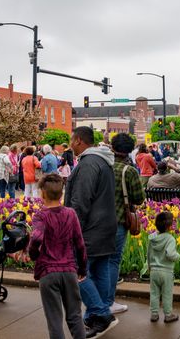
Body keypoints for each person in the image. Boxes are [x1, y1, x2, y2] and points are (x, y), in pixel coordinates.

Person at [64, 126, 118, 338]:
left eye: (71, 140)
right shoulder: (104, 161)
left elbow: (80, 202)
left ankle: (101, 313)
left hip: (89, 230)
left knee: (75, 272)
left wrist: (70, 230)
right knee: (99, 271)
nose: (70, 144)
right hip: (105, 227)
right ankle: (97, 315)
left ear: (78, 140)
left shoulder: (88, 164)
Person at [28, 173, 88, 339]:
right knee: (75, 316)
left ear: (42, 194)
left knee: (54, 320)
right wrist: (82, 268)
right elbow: (80, 244)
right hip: (69, 270)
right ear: (61, 194)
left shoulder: (41, 216)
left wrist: (33, 255)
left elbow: (36, 238)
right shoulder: (70, 213)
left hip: (48, 272)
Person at [107, 133, 145, 315]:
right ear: (129, 150)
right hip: (119, 221)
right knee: (113, 260)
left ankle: (97, 299)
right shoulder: (128, 171)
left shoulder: (102, 166)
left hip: (97, 221)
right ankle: (109, 301)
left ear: (112, 147)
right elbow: (138, 198)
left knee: (100, 260)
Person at [148, 210, 180, 323]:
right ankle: (168, 315)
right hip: (166, 271)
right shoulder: (170, 239)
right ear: (170, 227)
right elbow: (170, 254)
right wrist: (177, 256)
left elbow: (149, 254)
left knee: (154, 293)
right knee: (167, 294)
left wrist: (149, 266)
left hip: (154, 270)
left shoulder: (152, 238)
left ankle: (154, 314)